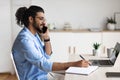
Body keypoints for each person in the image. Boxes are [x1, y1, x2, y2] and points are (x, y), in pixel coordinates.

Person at [12, 5, 89, 80]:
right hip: (35, 78)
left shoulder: (34, 35)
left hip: (44, 75)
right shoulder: (25, 40)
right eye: (41, 19)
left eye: (44, 19)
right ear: (31, 19)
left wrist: (46, 38)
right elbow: (44, 65)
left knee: (76, 76)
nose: (44, 22)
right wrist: (74, 64)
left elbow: (47, 56)